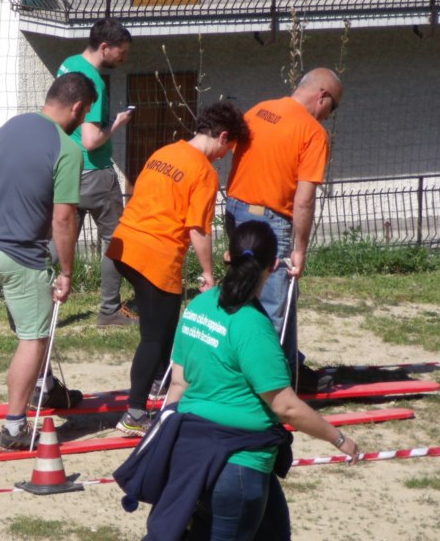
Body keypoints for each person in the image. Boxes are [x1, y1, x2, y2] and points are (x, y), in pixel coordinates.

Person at [115, 220, 360, 540]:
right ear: (274, 266)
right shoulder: (253, 327)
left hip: (193, 454)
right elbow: (287, 407)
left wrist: (167, 442)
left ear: (226, 257)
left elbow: (178, 384)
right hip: (239, 463)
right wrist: (339, 439)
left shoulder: (199, 306)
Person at [106, 101, 250, 436]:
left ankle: (162, 382)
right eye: (229, 147)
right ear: (223, 136)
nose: (226, 155)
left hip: (124, 245)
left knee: (168, 321)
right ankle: (136, 413)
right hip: (156, 254)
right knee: (155, 337)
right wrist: (209, 274)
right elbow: (197, 229)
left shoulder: (165, 152)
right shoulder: (203, 172)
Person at [0, 72, 97, 451]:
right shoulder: (69, 150)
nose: (84, 121)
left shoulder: (12, 126)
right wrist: (67, 271)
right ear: (77, 107)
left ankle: (48, 388)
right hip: (19, 253)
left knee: (32, 324)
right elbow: (64, 218)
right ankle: (14, 429)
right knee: (34, 338)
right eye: (86, 112)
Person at [225, 68, 343, 393]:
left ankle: (290, 370)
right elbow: (304, 200)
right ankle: (267, 390)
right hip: (270, 220)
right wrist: (300, 250)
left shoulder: (258, 111)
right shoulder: (312, 133)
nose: (328, 116)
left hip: (235, 210)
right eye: (332, 108)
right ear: (322, 96)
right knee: (272, 307)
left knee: (251, 295)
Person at [57, 17, 136, 327]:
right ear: (105, 48)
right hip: (96, 174)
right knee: (115, 241)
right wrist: (116, 123)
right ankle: (109, 310)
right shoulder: (95, 83)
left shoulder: (68, 64)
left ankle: (31, 302)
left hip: (67, 169)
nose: (124, 58)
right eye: (122, 52)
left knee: (60, 241)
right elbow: (91, 140)